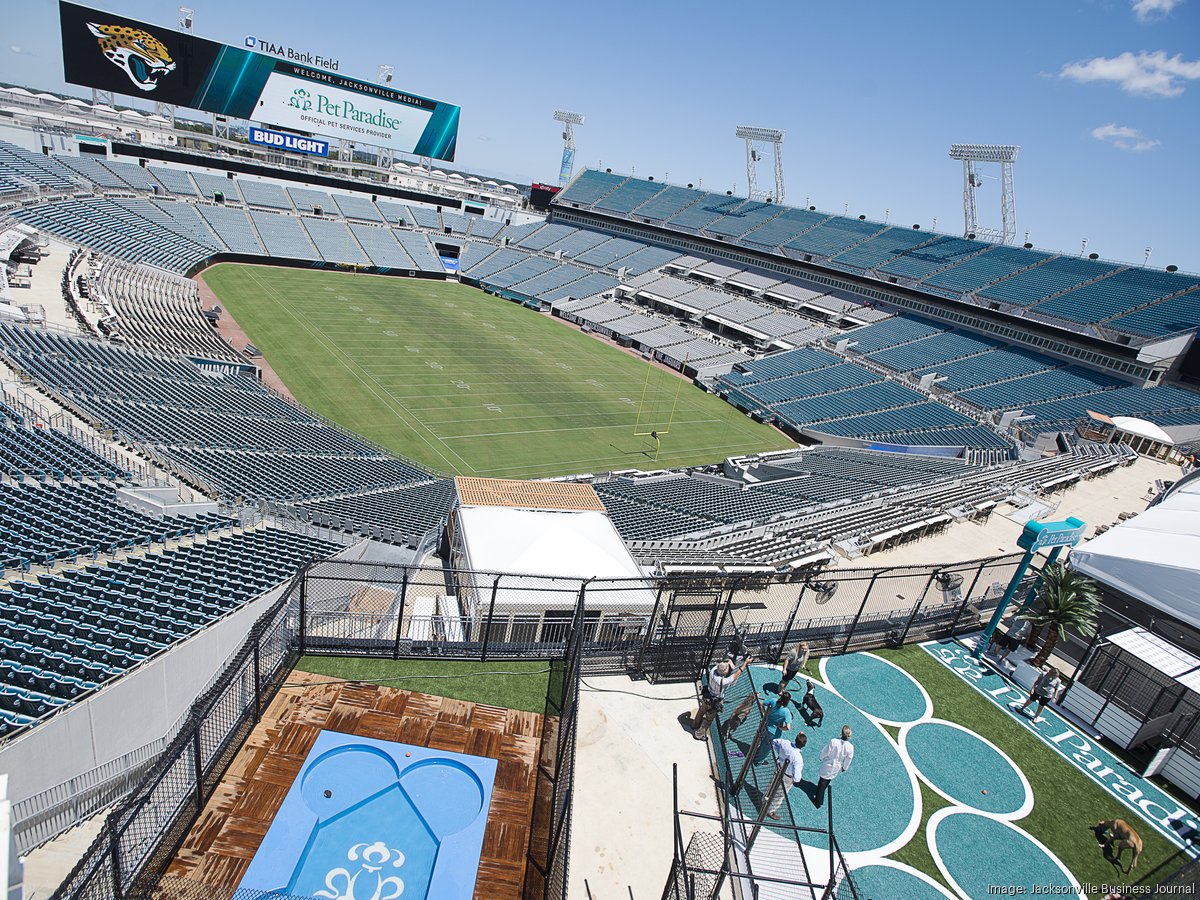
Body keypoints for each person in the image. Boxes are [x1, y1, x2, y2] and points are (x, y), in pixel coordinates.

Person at [692, 655, 752, 739]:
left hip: (707, 696)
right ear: (724, 673)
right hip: (714, 701)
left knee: (701, 711)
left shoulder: (713, 670)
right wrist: (745, 663)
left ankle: (695, 724)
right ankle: (699, 734)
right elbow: (736, 675)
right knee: (708, 718)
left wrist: (728, 662)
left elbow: (721, 665)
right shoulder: (722, 681)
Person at [764, 732, 808, 820]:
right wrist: (794, 780)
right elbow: (797, 778)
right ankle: (769, 810)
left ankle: (764, 800)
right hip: (787, 777)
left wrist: (779, 754)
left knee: (771, 786)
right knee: (779, 795)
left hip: (779, 769)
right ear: (803, 745)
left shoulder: (785, 743)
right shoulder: (798, 759)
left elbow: (774, 742)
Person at [814, 725, 854, 808]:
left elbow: (826, 751)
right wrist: (844, 767)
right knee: (828, 779)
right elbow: (848, 759)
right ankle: (820, 793)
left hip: (829, 763)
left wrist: (821, 757)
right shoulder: (850, 747)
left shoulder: (834, 741)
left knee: (822, 780)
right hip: (837, 766)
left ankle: (818, 800)